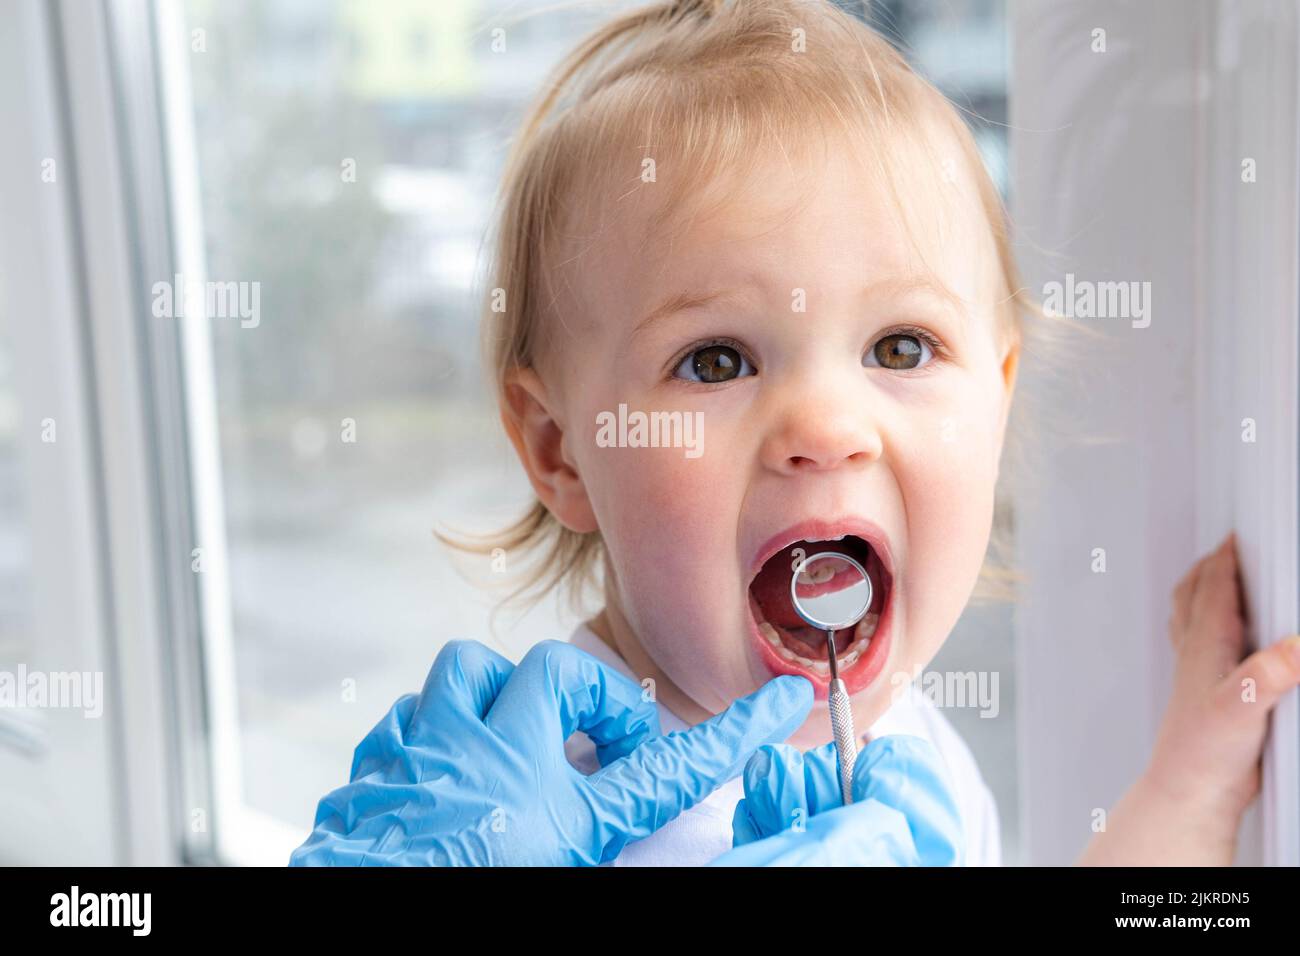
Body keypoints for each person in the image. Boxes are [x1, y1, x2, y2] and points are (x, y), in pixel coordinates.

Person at [291, 0, 1300, 866]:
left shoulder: (909, 744)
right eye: (717, 360)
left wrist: (1187, 788)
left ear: (997, 397)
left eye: (901, 347)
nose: (824, 426)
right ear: (560, 448)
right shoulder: (559, 806)